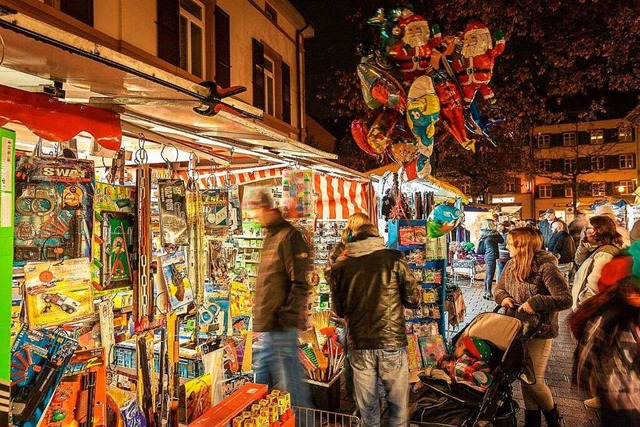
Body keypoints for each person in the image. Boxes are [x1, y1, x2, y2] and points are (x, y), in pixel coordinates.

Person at [329, 223, 420, 427]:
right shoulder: (394, 259)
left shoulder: (340, 266)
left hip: (359, 343)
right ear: (377, 238)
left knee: (368, 409)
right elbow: (413, 300)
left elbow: (339, 311)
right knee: (398, 407)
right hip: (391, 342)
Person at [494, 227, 571, 427]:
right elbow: (499, 288)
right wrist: (504, 298)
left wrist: (536, 303)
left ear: (522, 245)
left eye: (511, 242)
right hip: (515, 330)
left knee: (534, 381)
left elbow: (565, 299)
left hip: (539, 331)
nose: (507, 245)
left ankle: (554, 419)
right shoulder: (511, 264)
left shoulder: (546, 268)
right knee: (525, 378)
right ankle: (532, 422)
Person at [243, 187, 312, 408]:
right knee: (261, 378)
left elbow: (301, 281)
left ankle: (302, 423)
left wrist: (286, 315)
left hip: (280, 326)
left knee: (291, 387)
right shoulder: (272, 235)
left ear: (264, 208)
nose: (254, 218)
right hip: (271, 326)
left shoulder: (288, 236)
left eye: (254, 212)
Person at [571, 243, 640, 425]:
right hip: (620, 394)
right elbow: (591, 345)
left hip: (620, 393)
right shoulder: (613, 313)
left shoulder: (611, 312)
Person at [573, 215, 623, 310]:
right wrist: (583, 246)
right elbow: (579, 262)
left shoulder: (605, 253)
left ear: (600, 230)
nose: (585, 231)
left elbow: (596, 283)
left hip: (590, 307)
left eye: (589, 228)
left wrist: (583, 304)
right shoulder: (597, 249)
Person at [478, 219, 503, 300]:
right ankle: (488, 293)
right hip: (491, 256)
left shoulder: (483, 234)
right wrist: (497, 232)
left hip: (487, 255)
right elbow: (501, 240)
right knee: (490, 275)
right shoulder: (493, 234)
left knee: (488, 274)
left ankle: (485, 292)